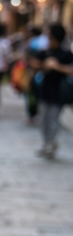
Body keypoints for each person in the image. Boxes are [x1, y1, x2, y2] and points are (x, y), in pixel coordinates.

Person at [35, 23, 73, 158]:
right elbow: (34, 64)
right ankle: (46, 143)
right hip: (44, 90)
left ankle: (51, 143)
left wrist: (57, 67)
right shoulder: (45, 52)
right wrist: (44, 65)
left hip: (59, 93)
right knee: (44, 118)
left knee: (53, 119)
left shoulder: (66, 54)